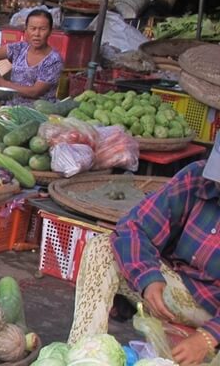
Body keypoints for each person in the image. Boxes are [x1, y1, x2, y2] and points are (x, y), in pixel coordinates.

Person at [68, 136, 220, 366]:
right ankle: (84, 356)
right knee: (102, 248)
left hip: (214, 312)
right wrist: (148, 277)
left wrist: (208, 338)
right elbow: (133, 226)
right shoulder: (197, 178)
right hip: (179, 287)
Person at [0, 9, 63, 105]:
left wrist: (2, 83)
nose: (37, 34)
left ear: (50, 31)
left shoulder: (54, 60)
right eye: (33, 28)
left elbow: (35, 92)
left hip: (36, 109)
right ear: (26, 30)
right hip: (11, 103)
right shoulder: (20, 48)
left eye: (42, 29)